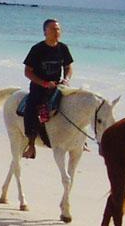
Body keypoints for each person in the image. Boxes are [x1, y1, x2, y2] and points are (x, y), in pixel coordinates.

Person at [21, 19, 73, 159]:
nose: (57, 32)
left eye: (58, 29)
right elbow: (28, 72)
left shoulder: (63, 48)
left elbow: (68, 67)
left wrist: (66, 79)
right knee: (31, 108)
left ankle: (79, 140)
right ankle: (30, 144)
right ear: (45, 32)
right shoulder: (37, 49)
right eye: (53, 29)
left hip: (58, 87)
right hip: (39, 87)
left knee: (74, 105)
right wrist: (43, 83)